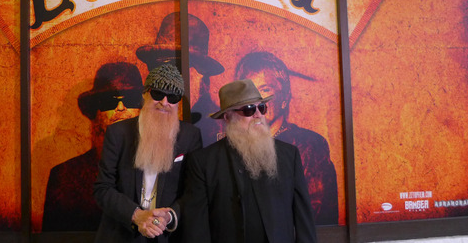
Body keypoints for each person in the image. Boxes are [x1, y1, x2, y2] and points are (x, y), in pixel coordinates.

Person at [181, 79, 317, 243]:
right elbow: (197, 230)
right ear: (228, 117)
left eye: (262, 107)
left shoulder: (289, 155)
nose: (258, 114)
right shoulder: (203, 162)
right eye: (249, 109)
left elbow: (304, 222)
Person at [94, 63, 203, 242]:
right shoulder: (118, 133)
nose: (164, 102)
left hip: (167, 235)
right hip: (122, 234)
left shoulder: (190, 136)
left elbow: (193, 190)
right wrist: (136, 215)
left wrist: (169, 217)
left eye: (172, 97)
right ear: (145, 93)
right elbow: (103, 188)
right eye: (158, 94)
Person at [235, 51, 339, 225]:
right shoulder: (236, 144)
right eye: (249, 92)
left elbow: (317, 215)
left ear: (284, 98)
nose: (257, 100)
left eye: (265, 90)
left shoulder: (309, 145)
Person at [42, 62, 143, 232]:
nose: (120, 108)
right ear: (96, 112)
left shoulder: (160, 168)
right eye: (109, 102)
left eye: (130, 100)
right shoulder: (65, 176)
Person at [136, 12, 225, 145]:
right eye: (158, 67)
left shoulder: (219, 127)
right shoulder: (137, 124)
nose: (165, 78)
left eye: (176, 67)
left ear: (203, 77)